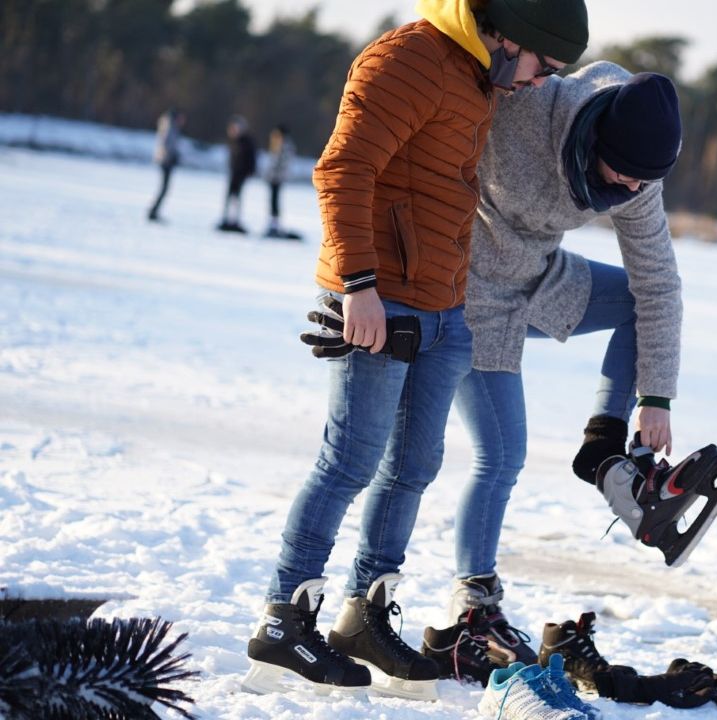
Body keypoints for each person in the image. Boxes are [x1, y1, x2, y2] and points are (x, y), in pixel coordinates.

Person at [241, 0, 589, 701]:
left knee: (413, 468)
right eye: (541, 66)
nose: (538, 82)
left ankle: (362, 617)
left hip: (441, 309)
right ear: (509, 33)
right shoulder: (406, 59)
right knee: (350, 460)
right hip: (381, 299)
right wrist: (356, 287)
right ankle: (283, 619)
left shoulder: (478, 78)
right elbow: (342, 170)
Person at [442, 62, 717, 666]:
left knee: (636, 297)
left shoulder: (639, 178)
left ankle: (604, 456)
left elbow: (658, 282)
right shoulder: (526, 109)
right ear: (597, 136)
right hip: (467, 289)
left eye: (643, 181)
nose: (630, 189)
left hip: (538, 276)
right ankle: (474, 607)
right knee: (501, 456)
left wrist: (656, 397)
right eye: (624, 173)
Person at [217, 115, 257, 233]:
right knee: (229, 196)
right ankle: (227, 218)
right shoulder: (234, 140)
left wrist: (249, 171)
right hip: (234, 172)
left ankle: (235, 220)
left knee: (236, 197)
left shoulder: (247, 142)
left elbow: (251, 159)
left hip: (241, 174)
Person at [146, 108, 183, 222]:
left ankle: (154, 211)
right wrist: (171, 156)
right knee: (164, 188)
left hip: (165, 160)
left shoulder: (169, 125)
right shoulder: (170, 127)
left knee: (164, 188)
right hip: (166, 161)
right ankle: (153, 211)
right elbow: (166, 143)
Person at [264, 123, 299, 239]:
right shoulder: (280, 144)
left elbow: (280, 163)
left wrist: (274, 174)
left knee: (275, 202)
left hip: (277, 178)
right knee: (273, 201)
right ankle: (273, 224)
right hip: (275, 177)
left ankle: (275, 225)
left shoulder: (284, 145)